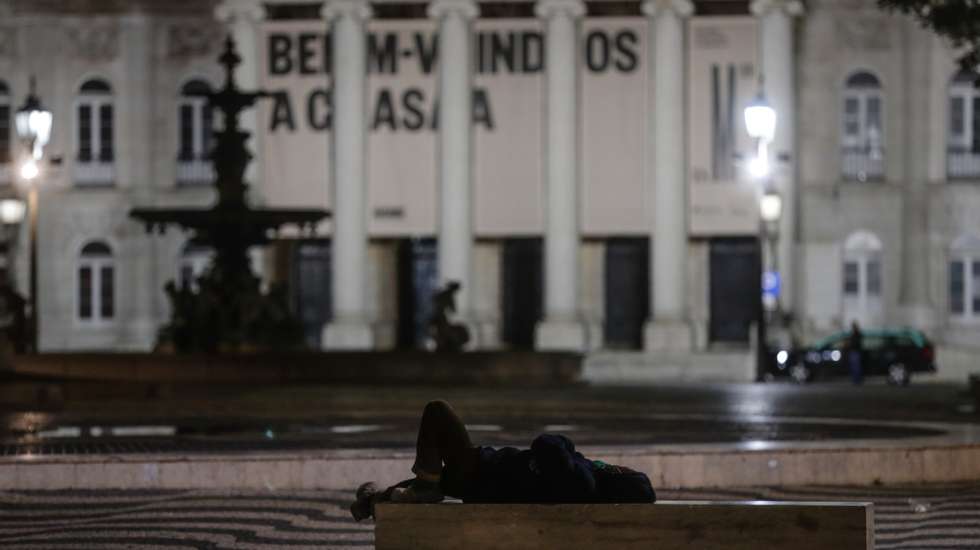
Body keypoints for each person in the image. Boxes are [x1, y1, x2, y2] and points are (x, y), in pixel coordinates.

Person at [350, 400, 656, 521]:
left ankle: (422, 486)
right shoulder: (583, 479)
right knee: (424, 482)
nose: (620, 466)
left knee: (437, 411)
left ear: (620, 479)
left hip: (480, 472)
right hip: (482, 479)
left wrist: (569, 449)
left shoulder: (583, 480)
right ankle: (373, 500)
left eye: (625, 471)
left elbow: (548, 442)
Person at [847, 321, 864, 385]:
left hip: (855, 352)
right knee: (855, 366)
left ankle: (857, 380)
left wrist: (849, 344)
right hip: (855, 352)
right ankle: (856, 380)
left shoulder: (856, 334)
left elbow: (855, 343)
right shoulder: (856, 334)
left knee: (856, 367)